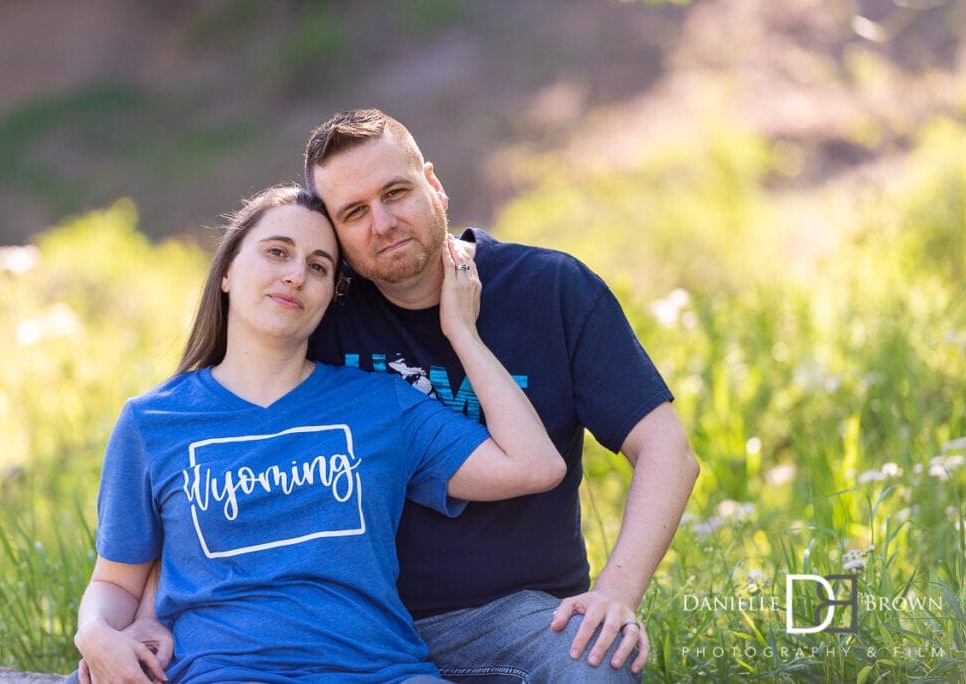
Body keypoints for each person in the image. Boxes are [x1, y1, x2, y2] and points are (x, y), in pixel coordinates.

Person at [105, 108, 700, 682]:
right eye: (354, 212)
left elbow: (667, 451)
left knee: (594, 664)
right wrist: (143, 617)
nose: (382, 224)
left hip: (511, 617)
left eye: (395, 193)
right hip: (348, 628)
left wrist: (616, 595)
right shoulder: (321, 308)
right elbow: (208, 456)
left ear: (433, 185)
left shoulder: (549, 290)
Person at [71, 183, 566, 683]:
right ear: (225, 271)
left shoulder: (380, 404)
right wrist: (94, 633)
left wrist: (462, 332)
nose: (295, 275)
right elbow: (117, 580)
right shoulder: (152, 422)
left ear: (330, 296)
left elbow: (534, 466)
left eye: (318, 266)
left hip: (383, 672)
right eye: (277, 252)